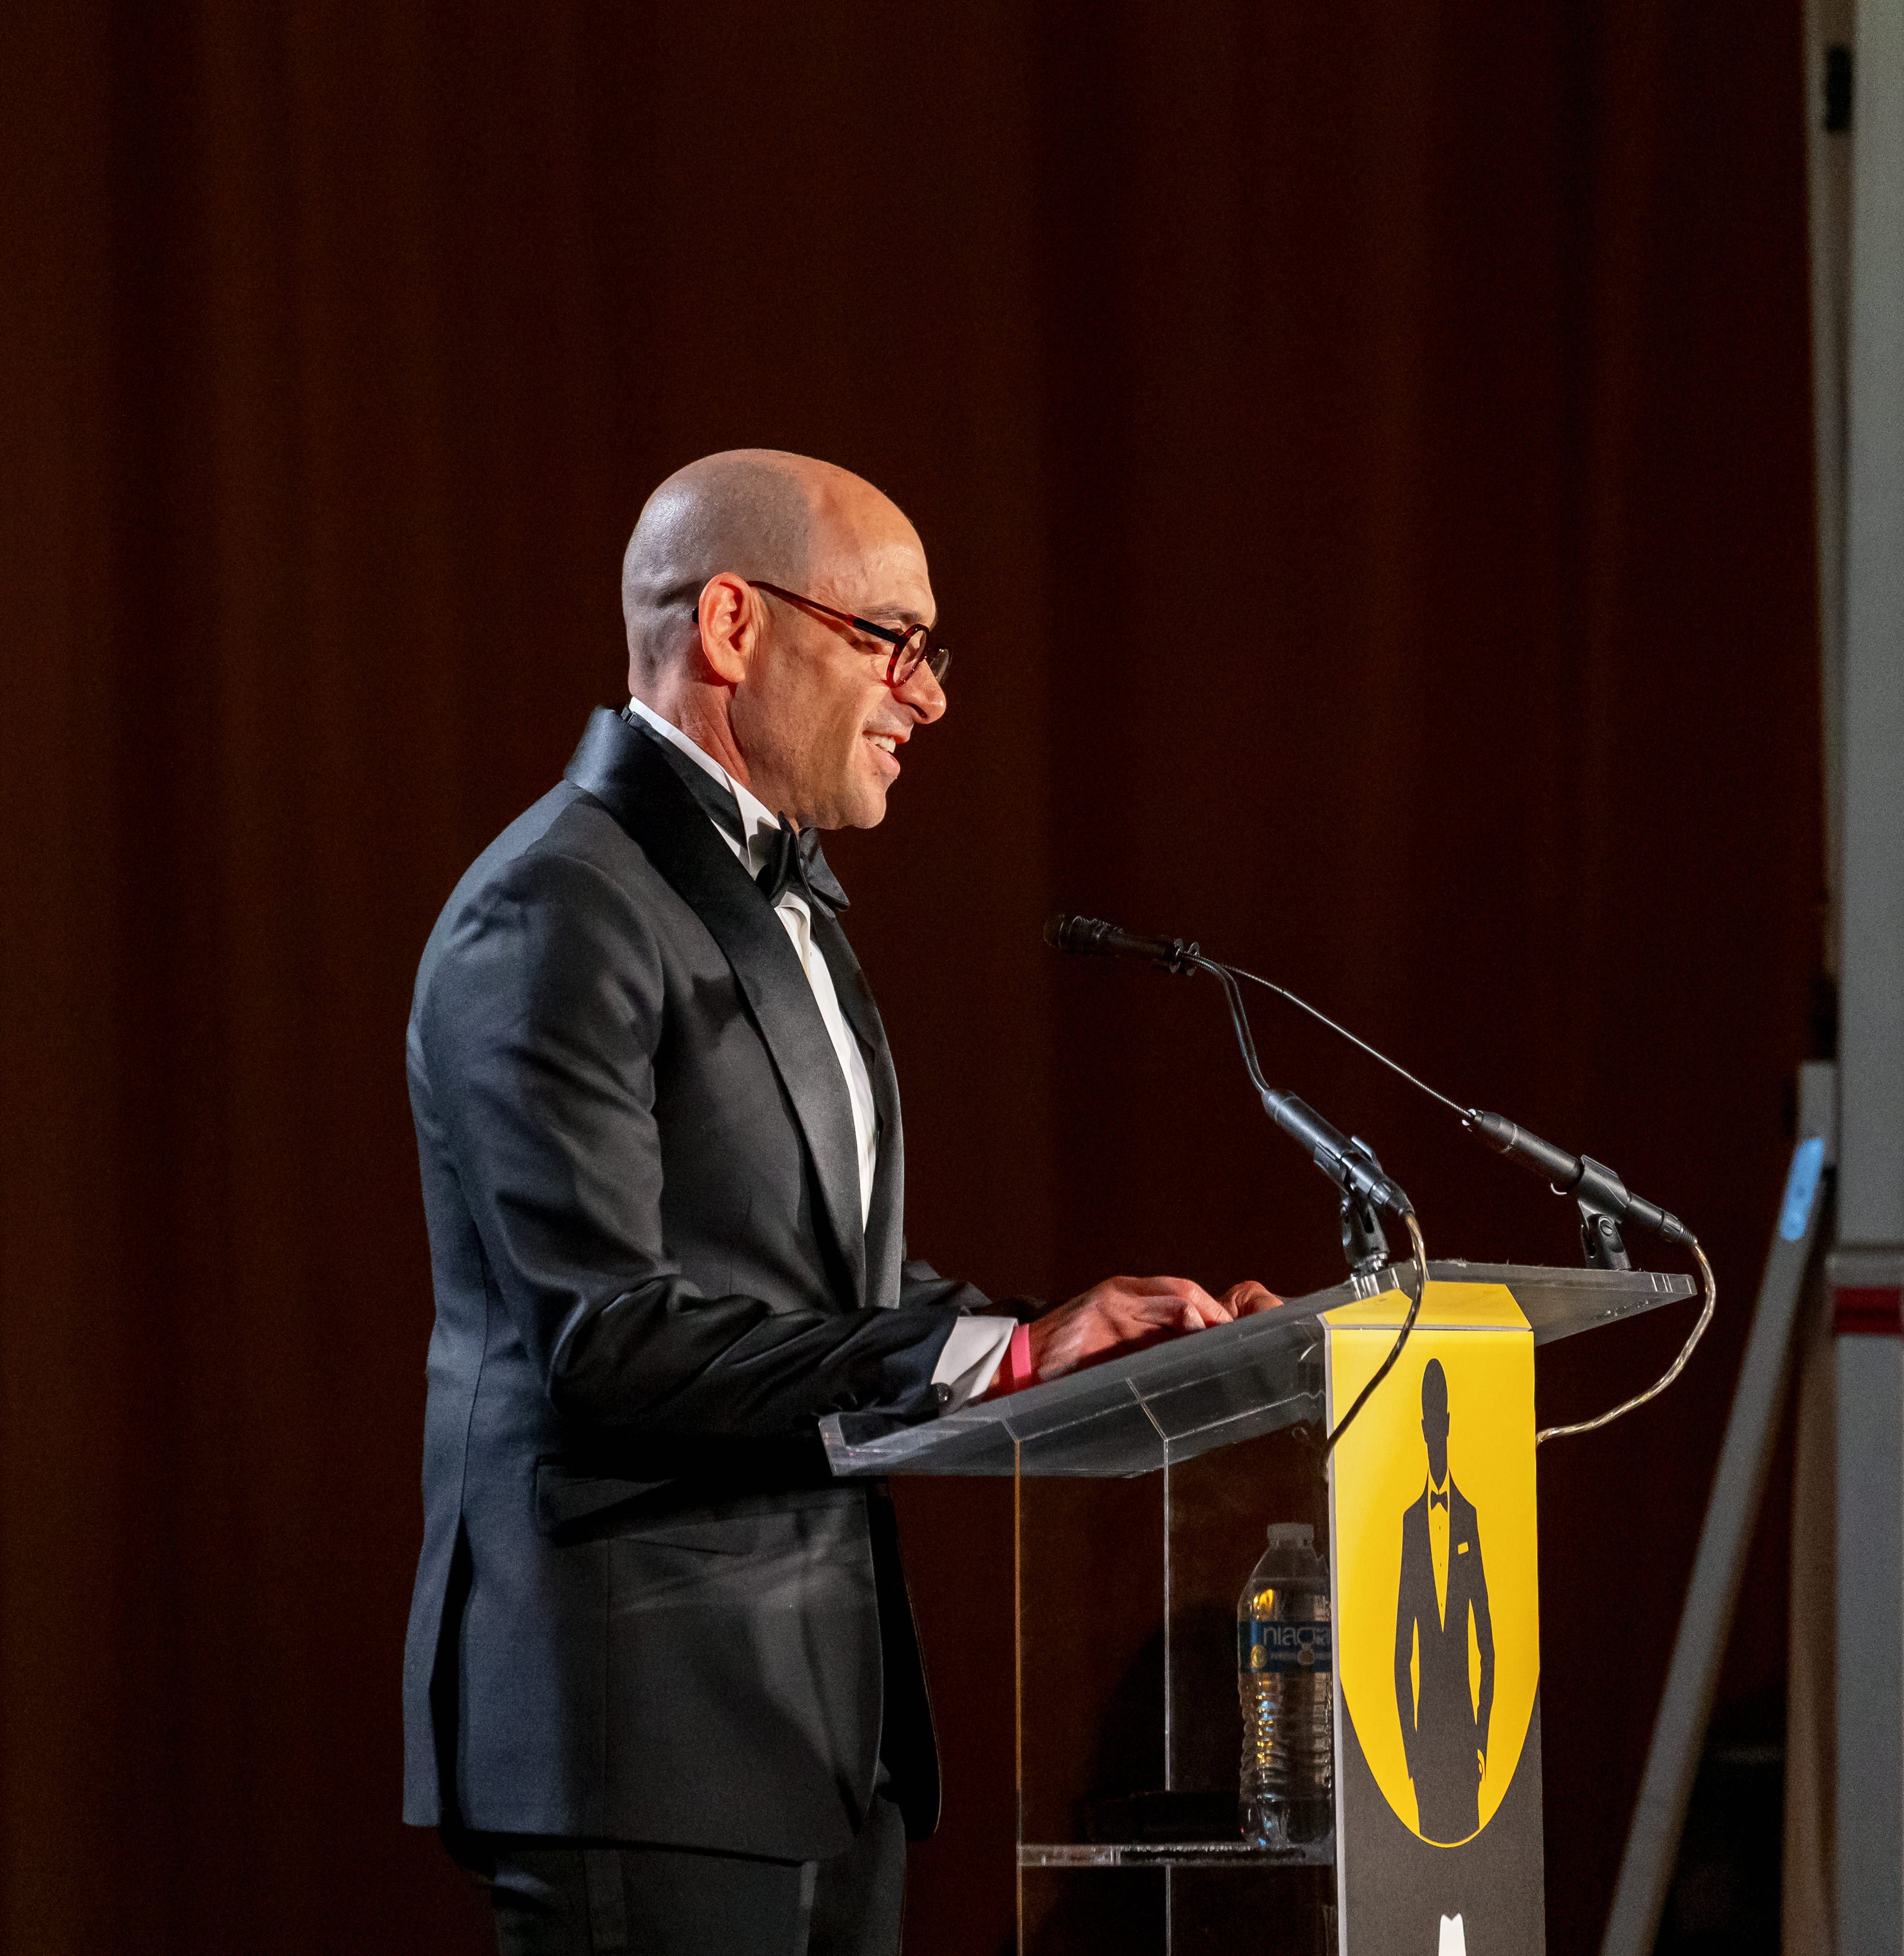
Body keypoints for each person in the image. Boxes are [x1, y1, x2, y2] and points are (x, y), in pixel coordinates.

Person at [401, 449, 1277, 1955]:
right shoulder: (553, 909)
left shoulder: (776, 901)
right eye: (892, 641)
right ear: (733, 627)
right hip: (641, 1728)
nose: (927, 697)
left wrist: (1041, 1339)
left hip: (820, 1736)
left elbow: (821, 1291)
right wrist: (982, 1360)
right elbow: (606, 1339)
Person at [1393, 1357, 1495, 1845]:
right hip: (1426, 1739)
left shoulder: (1470, 1518)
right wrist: (1411, 1752)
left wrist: (1481, 1738)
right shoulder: (1411, 1523)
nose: (1435, 1430)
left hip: (1464, 1738)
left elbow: (1488, 1647)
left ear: (1448, 1423)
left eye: (1440, 1419)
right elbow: (1400, 1653)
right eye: (1428, 1421)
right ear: (1423, 1426)